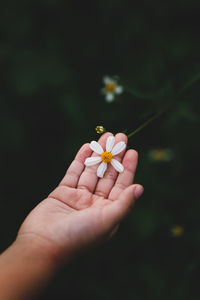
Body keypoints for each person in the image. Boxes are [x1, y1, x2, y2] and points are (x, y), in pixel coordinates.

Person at [0, 132, 144, 300]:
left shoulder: (108, 161)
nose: (105, 155)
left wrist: (40, 242)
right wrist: (41, 243)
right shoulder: (103, 160)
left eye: (105, 155)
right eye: (104, 155)